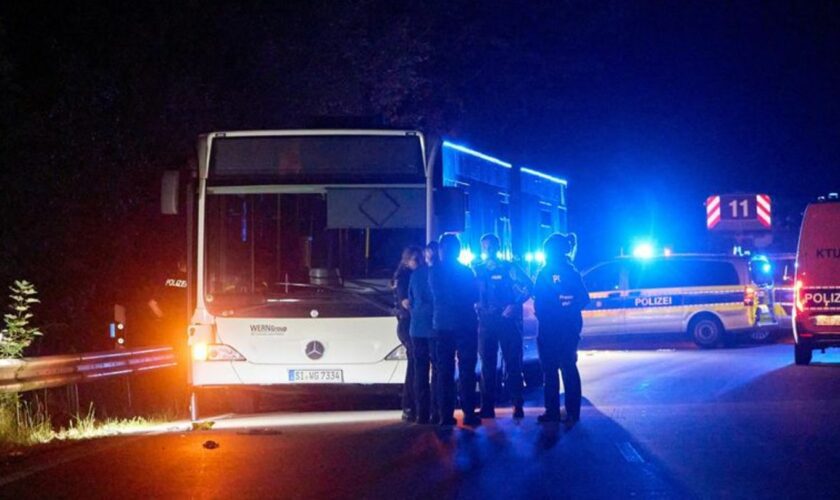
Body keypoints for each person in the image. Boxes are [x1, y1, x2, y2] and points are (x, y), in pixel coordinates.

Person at [533, 233, 589, 429]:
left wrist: (559, 309)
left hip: (554, 329)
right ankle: (570, 412)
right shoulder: (570, 271)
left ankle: (554, 412)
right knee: (566, 368)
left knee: (553, 370)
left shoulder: (546, 272)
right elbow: (583, 299)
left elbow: (538, 300)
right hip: (566, 328)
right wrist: (567, 307)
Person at [473, 234, 533, 420]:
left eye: (492, 247)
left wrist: (515, 304)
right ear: (482, 249)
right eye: (485, 247)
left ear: (498, 248)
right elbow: (468, 291)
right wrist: (474, 304)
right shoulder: (476, 269)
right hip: (486, 322)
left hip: (507, 321)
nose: (489, 250)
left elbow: (529, 285)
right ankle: (487, 407)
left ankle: (517, 404)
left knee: (513, 363)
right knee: (487, 366)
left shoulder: (509, 268)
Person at [429, 233, 481, 427]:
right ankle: (468, 413)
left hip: (441, 325)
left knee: (444, 372)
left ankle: (445, 415)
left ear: (441, 250)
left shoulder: (433, 272)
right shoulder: (466, 272)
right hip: (465, 324)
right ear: (458, 251)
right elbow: (474, 296)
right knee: (467, 370)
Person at [393, 245, 423, 422]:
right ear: (407, 261)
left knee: (415, 364)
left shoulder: (410, 276)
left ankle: (411, 405)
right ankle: (409, 405)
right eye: (415, 260)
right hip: (408, 324)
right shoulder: (404, 278)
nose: (418, 263)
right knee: (414, 364)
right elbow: (406, 303)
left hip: (412, 324)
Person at [408, 242, 437, 424]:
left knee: (420, 371)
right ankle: (436, 411)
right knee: (438, 370)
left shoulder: (416, 274)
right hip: (435, 328)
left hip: (416, 328)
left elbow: (410, 299)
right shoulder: (439, 275)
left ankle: (421, 413)